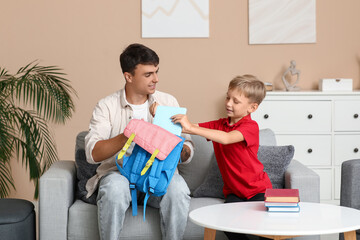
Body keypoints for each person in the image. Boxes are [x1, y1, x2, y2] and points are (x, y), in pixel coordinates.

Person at [84, 43, 194, 240]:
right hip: (119, 174)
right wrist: (129, 134)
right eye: (148, 74)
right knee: (114, 189)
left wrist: (176, 146)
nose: (156, 79)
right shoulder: (106, 106)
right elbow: (92, 154)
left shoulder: (168, 102)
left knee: (178, 190)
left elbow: (187, 151)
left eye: (157, 72)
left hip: (160, 174)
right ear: (129, 76)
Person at [171, 75, 272, 240]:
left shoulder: (250, 127)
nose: (228, 103)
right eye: (227, 97)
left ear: (252, 108)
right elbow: (190, 128)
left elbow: (226, 138)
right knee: (227, 226)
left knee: (268, 230)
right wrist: (162, 115)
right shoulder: (220, 125)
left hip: (259, 190)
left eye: (235, 101)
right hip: (234, 193)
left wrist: (190, 128)